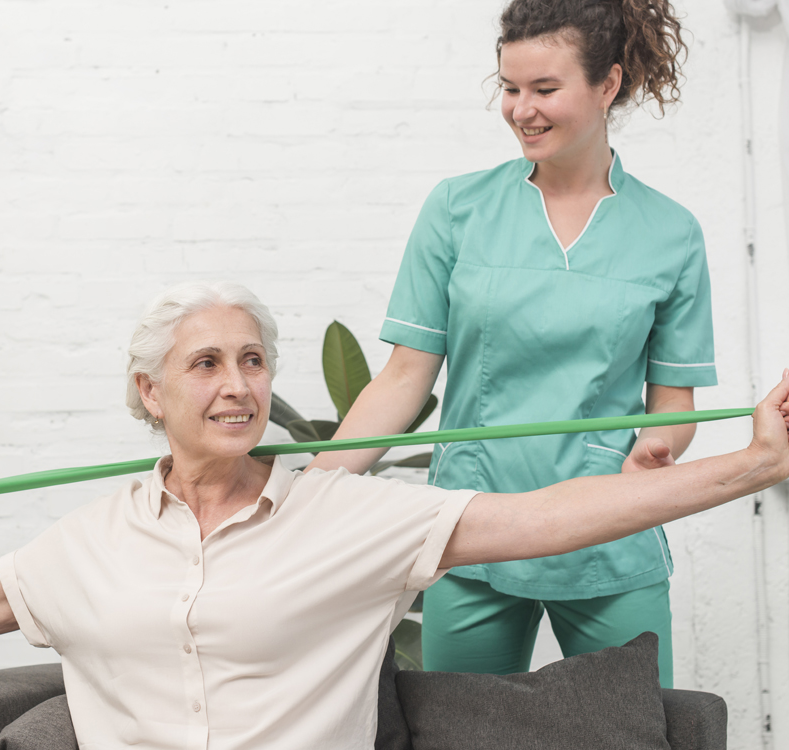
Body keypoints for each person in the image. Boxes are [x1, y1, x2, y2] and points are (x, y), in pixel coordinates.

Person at [0, 281, 789, 750]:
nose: (238, 384)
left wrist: (744, 465)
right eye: (206, 363)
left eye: (253, 361)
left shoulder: (345, 516)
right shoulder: (87, 545)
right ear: (150, 394)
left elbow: (547, 518)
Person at [306, 0, 718, 686]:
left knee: (634, 731)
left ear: (608, 84)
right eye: (510, 88)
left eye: (545, 90)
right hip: (473, 533)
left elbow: (672, 405)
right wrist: (310, 490)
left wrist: (658, 449)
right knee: (458, 733)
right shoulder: (455, 210)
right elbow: (405, 376)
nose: (522, 110)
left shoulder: (671, 234)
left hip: (608, 535)